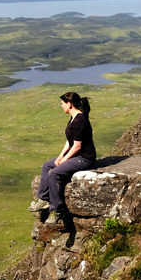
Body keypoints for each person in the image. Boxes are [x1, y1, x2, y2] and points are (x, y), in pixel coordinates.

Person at [28, 91, 97, 224]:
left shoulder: (80, 120)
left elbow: (77, 146)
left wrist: (64, 160)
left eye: (62, 103)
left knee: (54, 173)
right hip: (75, 156)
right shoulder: (73, 119)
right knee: (47, 165)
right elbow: (69, 141)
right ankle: (43, 199)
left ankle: (57, 210)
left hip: (84, 159)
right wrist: (60, 156)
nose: (61, 106)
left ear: (70, 104)